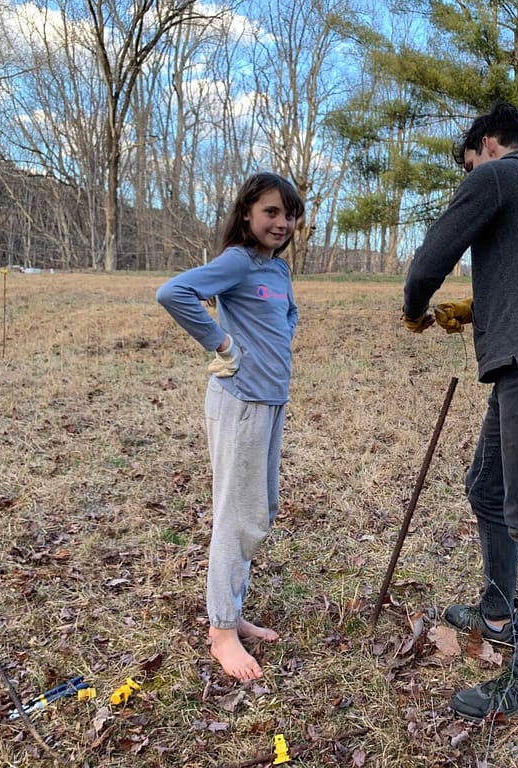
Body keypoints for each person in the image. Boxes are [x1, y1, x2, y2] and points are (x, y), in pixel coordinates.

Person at [402, 102, 518, 720]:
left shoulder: (499, 176)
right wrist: (476, 312)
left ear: (485, 144)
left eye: (469, 164)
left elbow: (433, 253)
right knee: (486, 487)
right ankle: (499, 613)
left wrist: (416, 303)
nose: (469, 175)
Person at [156, 173, 304, 680]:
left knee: (259, 510)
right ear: (246, 213)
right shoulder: (238, 261)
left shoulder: (277, 269)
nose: (281, 223)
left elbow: (287, 315)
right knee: (237, 515)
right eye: (270, 212)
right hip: (239, 402)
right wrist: (221, 344)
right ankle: (221, 631)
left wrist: (275, 340)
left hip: (270, 402)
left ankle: (232, 614)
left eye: (288, 214)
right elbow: (174, 293)